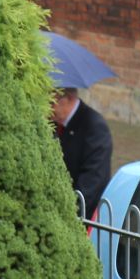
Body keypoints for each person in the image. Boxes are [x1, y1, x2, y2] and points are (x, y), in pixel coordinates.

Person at [52, 87, 112, 217]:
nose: (48, 108)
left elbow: (93, 181)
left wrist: (68, 214)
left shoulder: (95, 127)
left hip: (83, 214)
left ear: (67, 98)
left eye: (52, 101)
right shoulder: (54, 122)